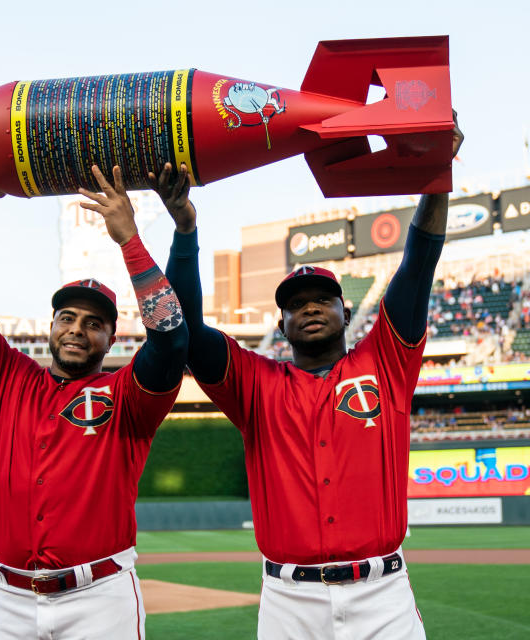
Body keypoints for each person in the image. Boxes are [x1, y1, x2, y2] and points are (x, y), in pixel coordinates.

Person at [156, 114, 464, 639]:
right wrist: (185, 231)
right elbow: (182, 326)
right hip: (288, 602)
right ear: (282, 324)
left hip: (381, 595)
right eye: (296, 305)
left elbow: (418, 265)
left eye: (322, 299)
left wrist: (437, 172)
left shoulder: (384, 361)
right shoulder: (254, 385)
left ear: (346, 312)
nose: (310, 308)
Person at [0, 158, 187, 639]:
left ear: (112, 339)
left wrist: (129, 239)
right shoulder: (6, 378)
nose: (76, 329)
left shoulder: (128, 396)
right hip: (8, 600)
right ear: (51, 326)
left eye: (94, 324)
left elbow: (172, 337)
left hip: (99, 598)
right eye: (67, 317)